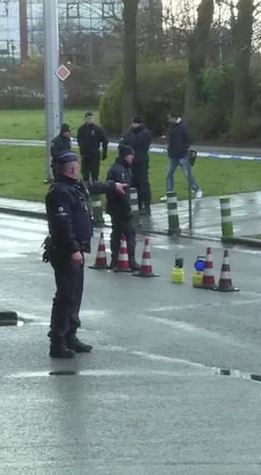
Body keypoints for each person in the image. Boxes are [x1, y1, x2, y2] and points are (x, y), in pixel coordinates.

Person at [44, 151, 128, 359]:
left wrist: (112, 186)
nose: (78, 167)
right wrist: (73, 249)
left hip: (76, 249)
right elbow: (62, 224)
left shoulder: (74, 187)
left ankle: (70, 334)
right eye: (76, 164)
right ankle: (58, 341)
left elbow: (91, 186)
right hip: (65, 252)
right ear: (71, 168)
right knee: (65, 296)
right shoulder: (60, 192)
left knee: (75, 295)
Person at [105, 145, 140, 271]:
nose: (132, 157)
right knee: (129, 233)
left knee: (117, 233)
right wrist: (127, 210)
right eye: (131, 155)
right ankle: (131, 261)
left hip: (114, 207)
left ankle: (115, 260)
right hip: (120, 208)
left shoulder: (120, 168)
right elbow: (122, 193)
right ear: (125, 155)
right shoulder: (120, 171)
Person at [163, 112, 202, 199]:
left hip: (183, 155)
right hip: (173, 155)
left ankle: (198, 190)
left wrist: (184, 147)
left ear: (174, 118)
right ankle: (169, 192)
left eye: (170, 118)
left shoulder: (183, 127)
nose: (168, 120)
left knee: (188, 174)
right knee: (169, 174)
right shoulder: (171, 127)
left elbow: (190, 138)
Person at [120, 116, 152, 214]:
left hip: (141, 162)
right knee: (132, 183)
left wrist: (128, 136)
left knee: (143, 183)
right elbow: (123, 143)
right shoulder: (132, 132)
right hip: (132, 162)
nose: (132, 125)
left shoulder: (145, 133)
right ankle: (136, 205)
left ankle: (146, 205)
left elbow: (134, 142)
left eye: (134, 123)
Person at [76, 111, 109, 181]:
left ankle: (95, 189)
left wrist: (104, 152)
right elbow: (79, 140)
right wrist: (81, 150)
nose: (90, 120)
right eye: (88, 118)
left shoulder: (97, 129)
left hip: (95, 155)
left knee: (95, 174)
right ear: (85, 119)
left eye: (91, 118)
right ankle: (86, 189)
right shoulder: (81, 129)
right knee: (85, 175)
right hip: (85, 156)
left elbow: (104, 141)